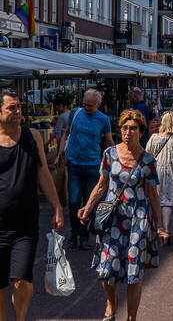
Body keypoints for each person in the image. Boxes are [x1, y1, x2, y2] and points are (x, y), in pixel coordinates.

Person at [0, 89, 64, 321]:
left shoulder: (32, 137)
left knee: (21, 280)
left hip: (25, 224)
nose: (18, 112)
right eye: (11, 108)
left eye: (18, 107)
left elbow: (44, 175)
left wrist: (57, 206)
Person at [77, 110, 170, 321]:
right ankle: (111, 303)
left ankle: (131, 317)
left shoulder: (147, 160)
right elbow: (101, 186)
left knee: (134, 273)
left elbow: (153, 195)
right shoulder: (109, 154)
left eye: (132, 128)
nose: (127, 133)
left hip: (138, 219)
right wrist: (87, 207)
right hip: (113, 218)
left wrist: (161, 226)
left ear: (141, 131)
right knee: (108, 269)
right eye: (124, 128)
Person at [57, 89, 114, 250]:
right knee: (74, 201)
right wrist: (60, 153)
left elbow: (109, 141)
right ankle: (74, 233)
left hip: (93, 165)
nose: (87, 108)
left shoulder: (103, 119)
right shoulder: (75, 113)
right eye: (85, 104)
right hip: (74, 164)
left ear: (98, 104)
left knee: (89, 202)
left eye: (90, 105)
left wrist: (117, 159)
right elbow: (66, 133)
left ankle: (84, 235)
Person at [144, 112, 173, 238]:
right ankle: (166, 230)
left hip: (156, 172)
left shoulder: (154, 137)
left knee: (154, 200)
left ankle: (156, 227)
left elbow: (147, 155)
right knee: (166, 202)